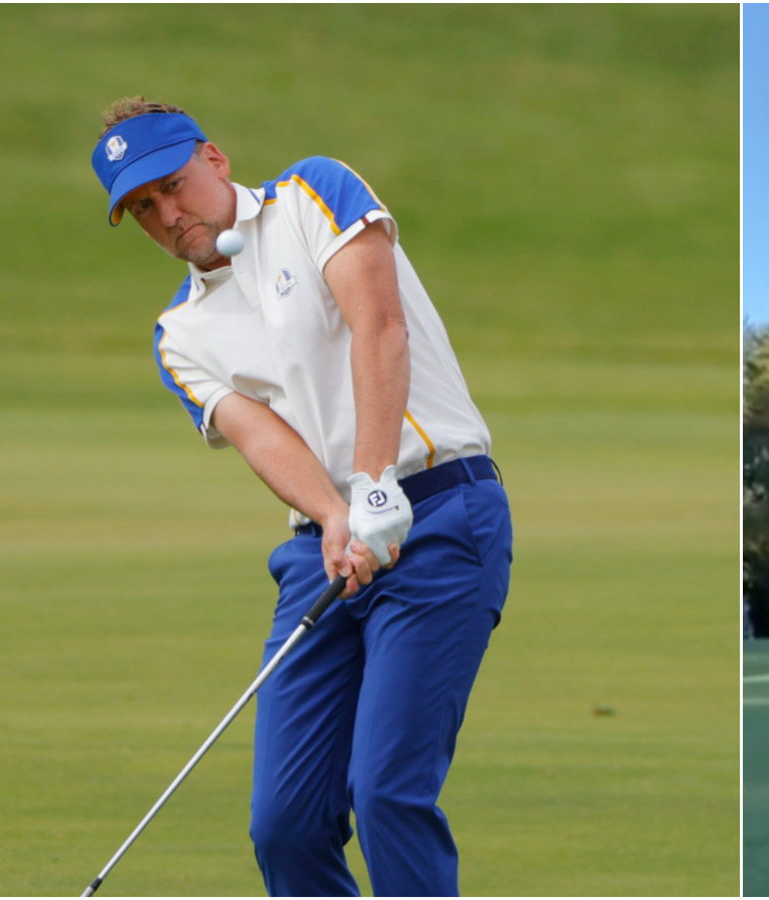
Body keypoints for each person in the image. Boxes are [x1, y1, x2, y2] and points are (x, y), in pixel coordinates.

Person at [91, 97, 514, 894]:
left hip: (440, 517)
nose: (168, 215)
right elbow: (262, 438)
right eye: (142, 208)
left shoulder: (313, 194)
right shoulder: (179, 335)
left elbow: (379, 326)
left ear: (214, 159)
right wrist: (333, 514)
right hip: (325, 552)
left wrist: (374, 482)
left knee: (386, 793)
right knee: (285, 825)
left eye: (172, 185)